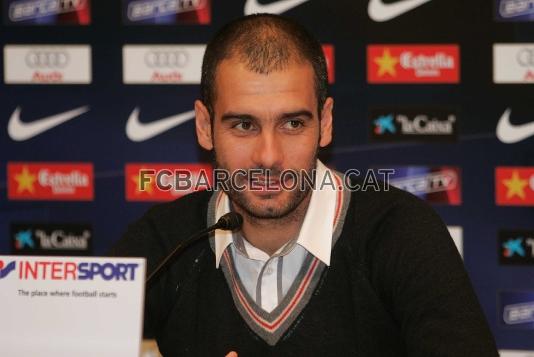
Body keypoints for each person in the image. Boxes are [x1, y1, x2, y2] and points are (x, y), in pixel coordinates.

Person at [111, 14, 499, 356]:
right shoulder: (166, 243)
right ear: (204, 126)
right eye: (243, 125)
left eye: (292, 123)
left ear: (325, 122)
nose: (269, 155)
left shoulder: (400, 232)